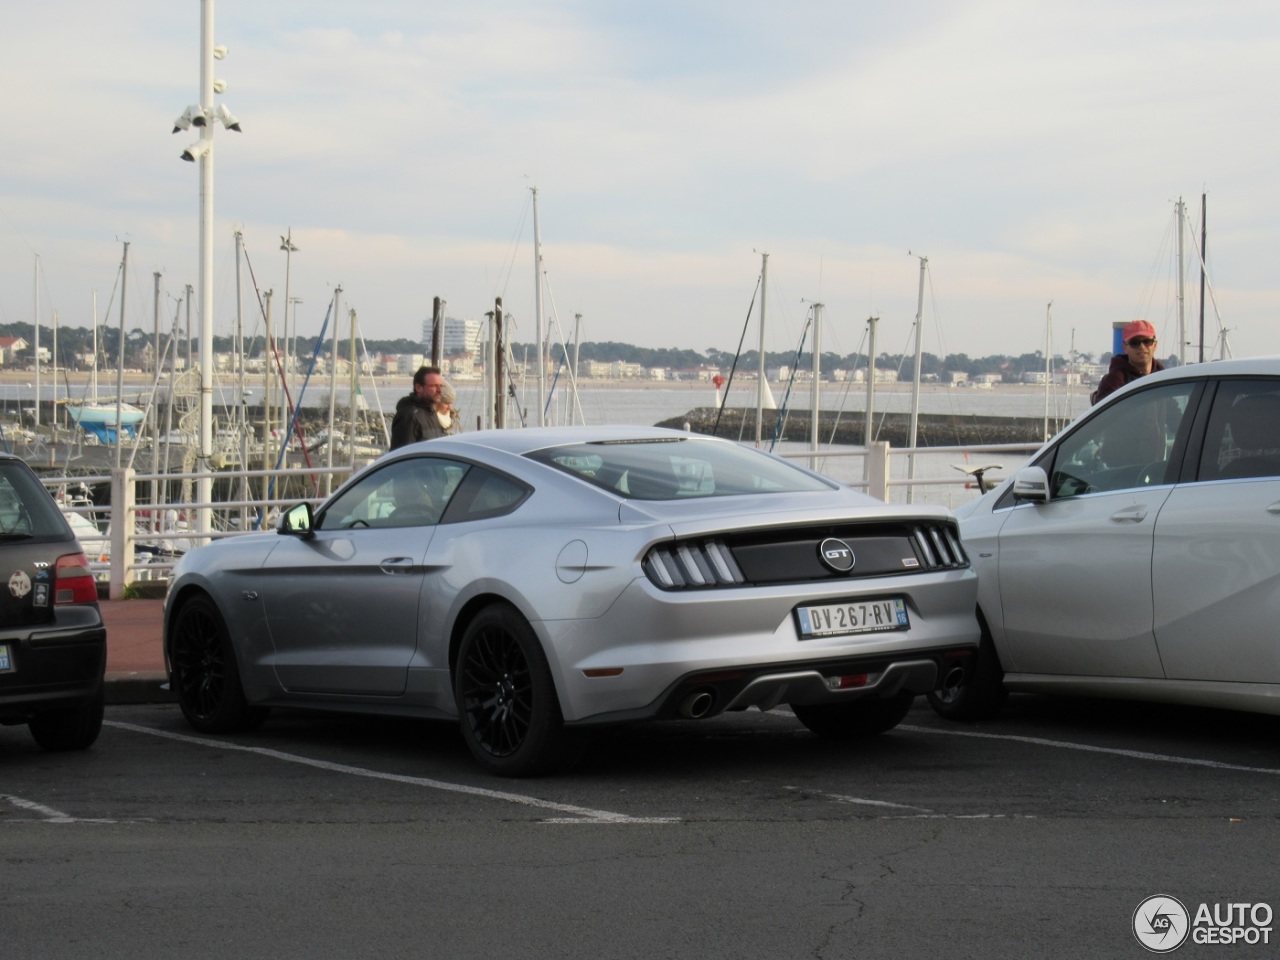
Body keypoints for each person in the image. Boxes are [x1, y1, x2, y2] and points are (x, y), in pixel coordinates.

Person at [1091, 320, 1164, 405]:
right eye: (1135, 342)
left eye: (1147, 341)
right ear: (1125, 347)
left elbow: (1173, 410)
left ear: (1155, 345)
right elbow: (1104, 415)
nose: (1141, 346)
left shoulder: (1163, 378)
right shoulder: (1115, 381)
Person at [390, 365, 446, 449]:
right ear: (418, 388)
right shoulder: (409, 416)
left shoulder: (431, 412)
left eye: (441, 386)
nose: (440, 390)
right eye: (434, 386)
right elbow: (402, 454)